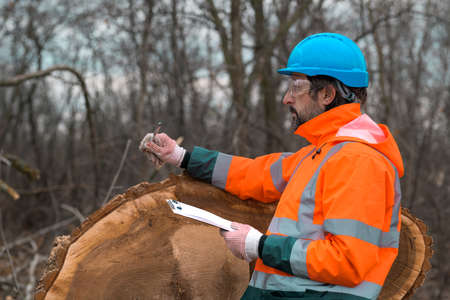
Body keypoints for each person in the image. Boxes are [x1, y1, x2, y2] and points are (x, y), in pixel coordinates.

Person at [139, 32, 404, 300]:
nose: (287, 98)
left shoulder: (358, 161)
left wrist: (259, 246)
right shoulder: (320, 154)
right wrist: (181, 156)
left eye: (296, 87)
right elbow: (254, 174)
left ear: (326, 94)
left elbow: (346, 261)